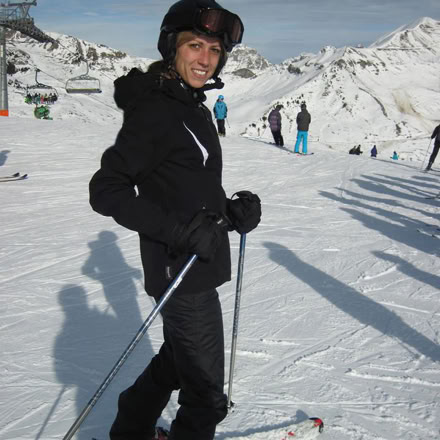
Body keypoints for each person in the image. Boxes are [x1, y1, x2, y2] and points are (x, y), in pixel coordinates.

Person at [88, 1, 261, 440]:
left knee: (177, 359)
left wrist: (230, 212)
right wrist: (179, 231)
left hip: (194, 264)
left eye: (215, 50)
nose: (206, 58)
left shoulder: (191, 105)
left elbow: (188, 183)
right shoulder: (157, 110)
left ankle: (131, 427)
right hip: (179, 270)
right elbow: (106, 189)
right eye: (195, 45)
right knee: (206, 394)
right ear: (173, 47)